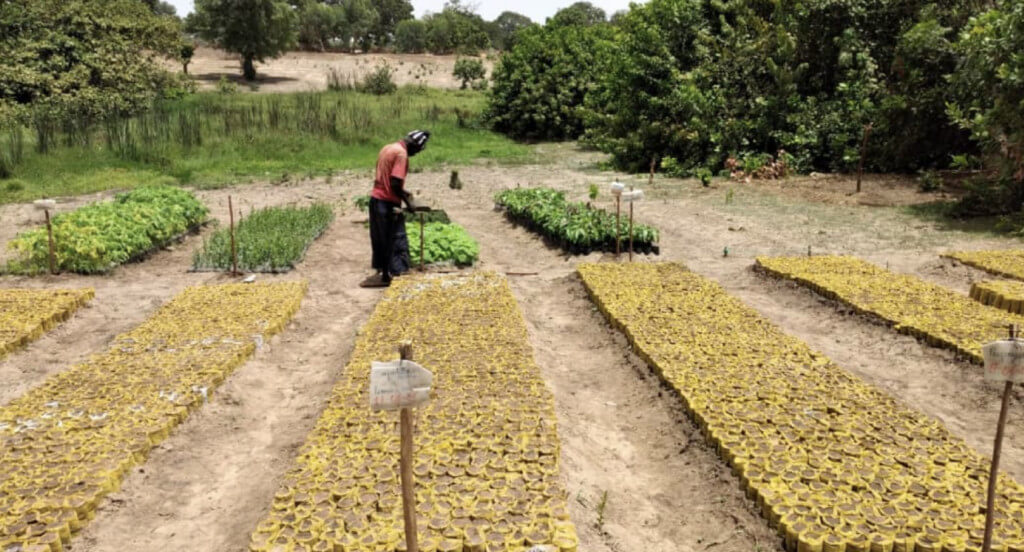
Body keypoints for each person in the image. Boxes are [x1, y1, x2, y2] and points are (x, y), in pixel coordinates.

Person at [360, 130, 431, 288]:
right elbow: (394, 183)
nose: (416, 154)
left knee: (380, 240)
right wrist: (408, 203)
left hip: (376, 199)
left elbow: (385, 177)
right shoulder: (401, 155)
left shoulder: (388, 148)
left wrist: (404, 192)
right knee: (394, 239)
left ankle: (384, 273)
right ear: (414, 146)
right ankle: (392, 275)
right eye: (417, 151)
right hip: (387, 203)